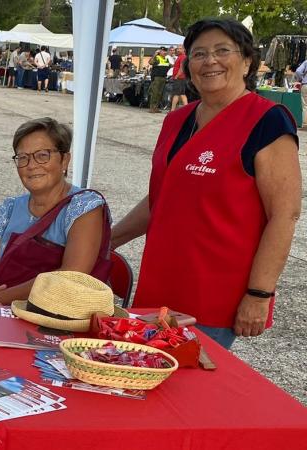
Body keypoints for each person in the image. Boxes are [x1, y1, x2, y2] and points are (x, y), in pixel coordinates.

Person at [112, 19, 302, 349]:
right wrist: (107, 240)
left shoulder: (266, 121)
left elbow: (284, 215)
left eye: (222, 50)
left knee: (190, 387)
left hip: (214, 297)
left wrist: (259, 293)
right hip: (159, 285)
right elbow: (162, 198)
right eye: (198, 53)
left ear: (246, 61)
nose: (209, 60)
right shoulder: (176, 120)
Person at [0, 117, 112, 305]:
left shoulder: (84, 206)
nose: (32, 165)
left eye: (42, 155)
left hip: (55, 321)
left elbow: (70, 277)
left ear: (64, 160)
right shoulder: (10, 208)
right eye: (23, 157)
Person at [148, 46, 170, 113]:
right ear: (159, 52)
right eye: (162, 51)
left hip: (163, 77)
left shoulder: (166, 59)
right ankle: (152, 107)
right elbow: (150, 62)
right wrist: (155, 54)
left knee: (160, 94)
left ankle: (156, 107)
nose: (164, 52)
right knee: (155, 93)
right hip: (157, 78)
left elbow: (169, 66)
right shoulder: (157, 58)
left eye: (165, 51)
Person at [170, 45, 188, 111]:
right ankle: (187, 109)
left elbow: (182, 68)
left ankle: (172, 110)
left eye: (180, 48)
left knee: (176, 94)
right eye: (177, 48)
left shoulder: (183, 57)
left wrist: (176, 76)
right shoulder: (179, 57)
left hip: (179, 78)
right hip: (180, 78)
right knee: (182, 94)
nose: (178, 50)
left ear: (184, 50)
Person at [295, 57, 307, 128]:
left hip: (305, 85)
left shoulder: (306, 62)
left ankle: (305, 125)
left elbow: (298, 71)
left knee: (305, 106)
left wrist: (301, 79)